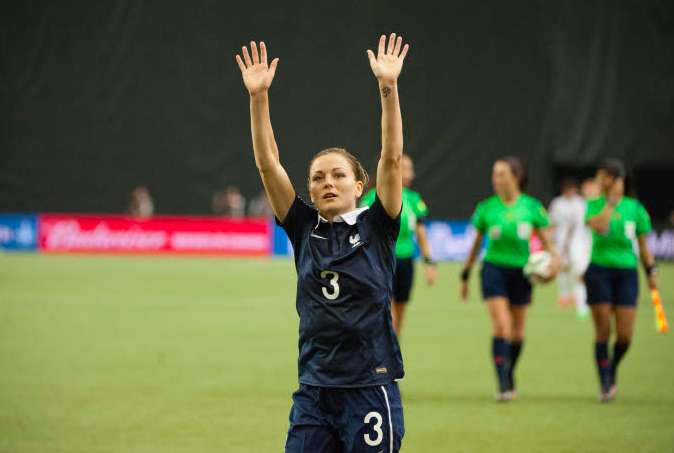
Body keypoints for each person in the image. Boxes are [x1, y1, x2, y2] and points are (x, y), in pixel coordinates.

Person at [235, 33, 409, 452]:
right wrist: (258, 97)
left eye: (337, 175)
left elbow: (390, 155)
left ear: (359, 184)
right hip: (315, 390)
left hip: (369, 385)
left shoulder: (378, 223)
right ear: (309, 191)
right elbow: (267, 163)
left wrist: (389, 87)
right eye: (317, 177)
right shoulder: (302, 225)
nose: (327, 182)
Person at [459, 157, 560, 401]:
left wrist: (554, 263)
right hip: (494, 270)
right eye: (494, 174)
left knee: (518, 333)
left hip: (523, 273)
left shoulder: (532, 207)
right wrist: (465, 273)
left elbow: (548, 245)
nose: (496, 179)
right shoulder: (486, 208)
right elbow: (475, 244)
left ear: (516, 177)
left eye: (502, 174)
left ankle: (509, 372)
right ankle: (503, 384)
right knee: (502, 326)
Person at [584, 158, 658, 402]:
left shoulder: (635, 209)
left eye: (602, 176)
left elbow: (644, 245)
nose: (598, 180)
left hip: (627, 273)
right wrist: (609, 204)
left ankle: (612, 367)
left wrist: (650, 271)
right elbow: (599, 227)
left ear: (617, 179)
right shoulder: (594, 205)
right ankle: (605, 381)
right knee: (603, 330)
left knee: (625, 335)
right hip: (599, 271)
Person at [360, 154, 436, 336]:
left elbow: (421, 233)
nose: (412, 174)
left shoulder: (413, 199)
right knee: (386, 313)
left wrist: (429, 262)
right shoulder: (373, 198)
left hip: (406, 262)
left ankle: (391, 355)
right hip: (381, 262)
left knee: (400, 315)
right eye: (407, 169)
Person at [548, 178, 591, 318]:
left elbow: (579, 224)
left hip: (578, 243)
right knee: (562, 269)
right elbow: (552, 223)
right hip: (560, 242)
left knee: (579, 272)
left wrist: (569, 242)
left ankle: (582, 305)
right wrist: (550, 240)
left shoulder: (580, 204)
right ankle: (565, 297)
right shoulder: (557, 204)